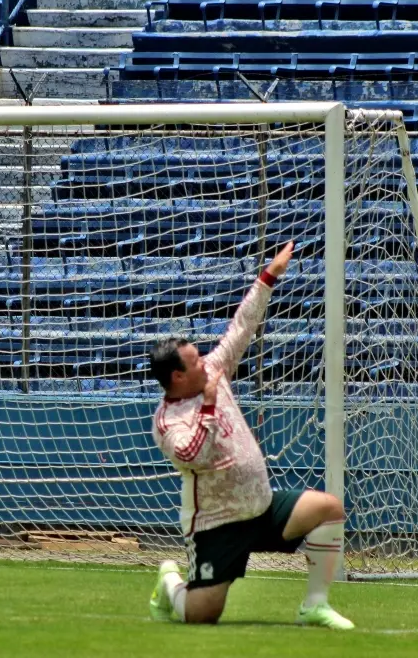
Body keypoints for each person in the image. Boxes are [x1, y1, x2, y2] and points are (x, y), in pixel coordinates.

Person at [146, 242, 354, 630]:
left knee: (328, 508)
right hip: (217, 524)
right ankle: (170, 581)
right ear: (177, 376)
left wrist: (269, 277)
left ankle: (314, 605)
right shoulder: (167, 420)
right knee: (203, 616)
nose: (205, 362)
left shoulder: (214, 369)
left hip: (261, 506)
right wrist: (209, 407)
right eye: (195, 362)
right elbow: (192, 456)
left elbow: (241, 327)